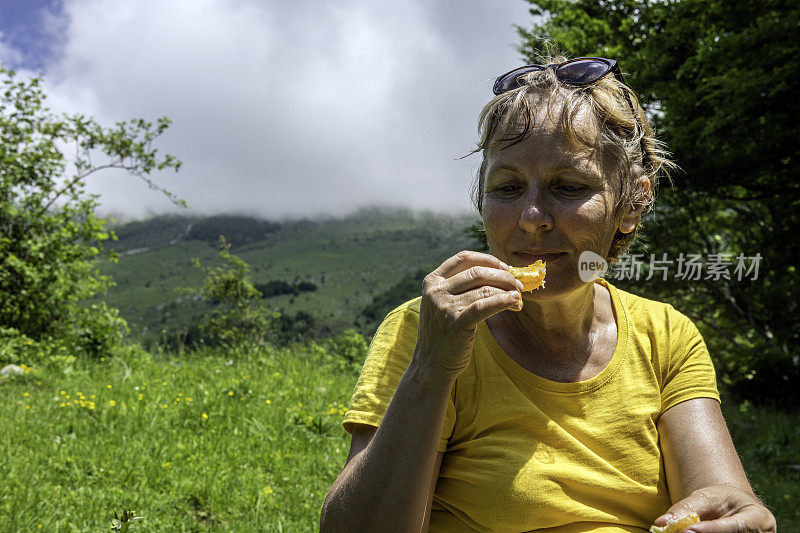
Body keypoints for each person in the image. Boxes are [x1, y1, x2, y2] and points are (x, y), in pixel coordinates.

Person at [319, 56, 777, 532]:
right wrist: (432, 368)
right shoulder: (425, 331)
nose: (531, 216)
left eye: (567, 187)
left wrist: (736, 515)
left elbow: (720, 498)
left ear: (632, 204)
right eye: (508, 187)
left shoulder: (665, 336)